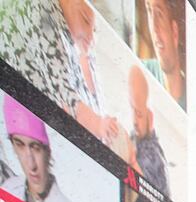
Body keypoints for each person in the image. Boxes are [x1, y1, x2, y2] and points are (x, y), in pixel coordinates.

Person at [0, 0, 124, 151]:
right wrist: (99, 125)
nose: (91, 36)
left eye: (95, 29)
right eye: (85, 20)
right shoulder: (42, 9)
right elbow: (66, 97)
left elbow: (92, 102)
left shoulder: (75, 40)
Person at [127, 66, 169, 194]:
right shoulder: (136, 137)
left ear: (150, 118)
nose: (134, 120)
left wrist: (130, 161)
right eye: (132, 109)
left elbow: (139, 192)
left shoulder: (152, 155)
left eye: (139, 114)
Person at [139, 0, 185, 108]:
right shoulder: (140, 72)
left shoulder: (193, 101)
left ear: (174, 31)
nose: (154, 28)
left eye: (159, 14)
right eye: (150, 12)